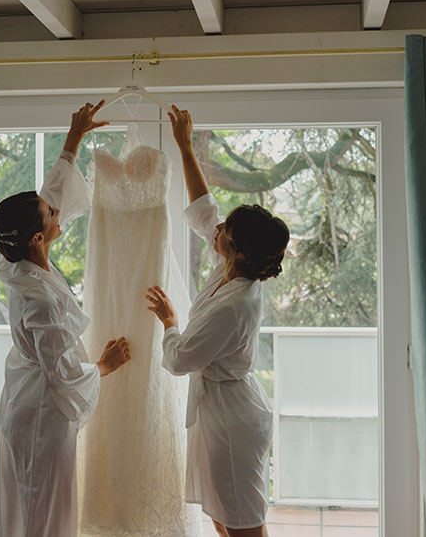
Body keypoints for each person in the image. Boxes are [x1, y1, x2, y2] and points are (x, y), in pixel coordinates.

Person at [144, 105, 291, 537]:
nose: (218, 227)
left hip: (232, 423)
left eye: (227, 229)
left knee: (244, 524)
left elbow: (180, 359)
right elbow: (204, 210)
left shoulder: (235, 304)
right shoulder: (230, 269)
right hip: (219, 414)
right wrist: (185, 147)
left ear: (239, 250)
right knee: (222, 516)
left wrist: (170, 319)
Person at [0, 100, 131, 537]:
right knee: (40, 511)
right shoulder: (41, 300)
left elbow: (50, 196)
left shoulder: (22, 263)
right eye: (50, 214)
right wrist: (105, 366)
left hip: (24, 401)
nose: (55, 209)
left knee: (29, 505)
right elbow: (63, 372)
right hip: (40, 416)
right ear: (37, 236)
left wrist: (74, 138)